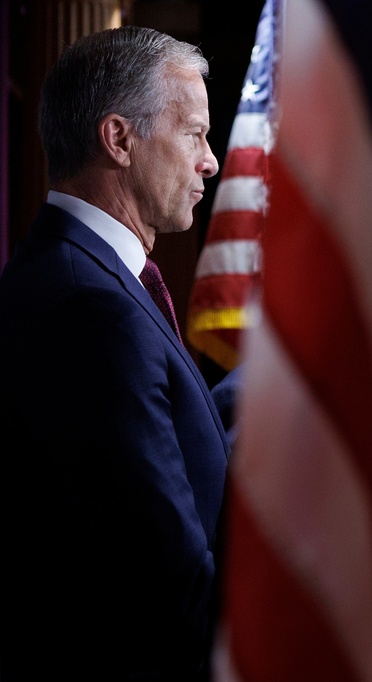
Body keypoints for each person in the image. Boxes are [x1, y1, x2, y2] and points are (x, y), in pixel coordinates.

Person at [0, 27, 228, 680]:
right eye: (194, 134)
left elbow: (169, 438)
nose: (210, 161)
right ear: (120, 139)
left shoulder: (86, 278)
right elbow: (163, 585)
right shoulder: (88, 307)